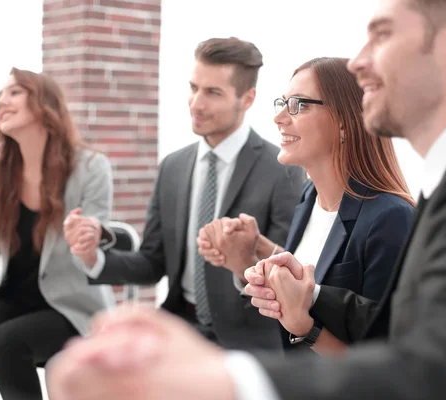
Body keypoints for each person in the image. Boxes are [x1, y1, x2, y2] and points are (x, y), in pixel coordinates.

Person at [46, 0, 446, 399]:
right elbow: (387, 328)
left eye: (383, 33)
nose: (360, 62)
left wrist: (225, 381)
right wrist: (278, 273)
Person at [64, 37, 306, 350]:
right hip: (179, 325)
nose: (196, 103)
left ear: (247, 99)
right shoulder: (173, 167)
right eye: (194, 88)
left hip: (248, 338)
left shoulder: (283, 170)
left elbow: (288, 275)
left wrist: (242, 260)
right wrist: (92, 256)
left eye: (212, 92)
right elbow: (152, 263)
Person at [197, 57, 414, 355]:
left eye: (299, 104)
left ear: (344, 123)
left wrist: (305, 329)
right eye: (282, 103)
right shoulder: (309, 195)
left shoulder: (391, 218)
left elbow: (385, 363)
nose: (279, 118)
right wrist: (256, 251)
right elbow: (310, 278)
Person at [0, 68, 115, 400]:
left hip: (71, 306)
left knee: (6, 342)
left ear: (44, 104)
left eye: (14, 92)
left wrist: (88, 236)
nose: (2, 102)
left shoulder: (91, 167)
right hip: (15, 299)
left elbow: (93, 247)